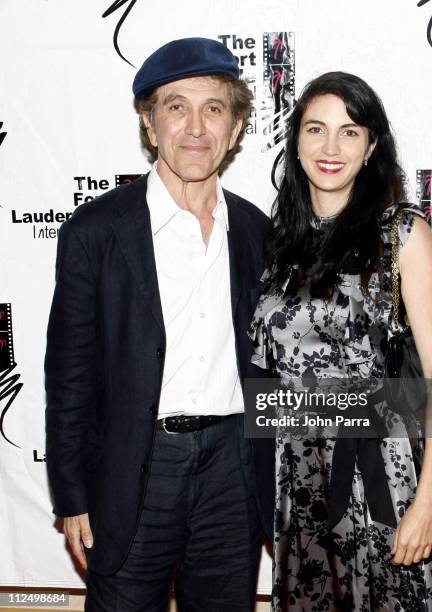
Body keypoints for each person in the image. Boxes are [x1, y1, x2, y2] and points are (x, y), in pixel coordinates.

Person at [45, 37, 274, 612]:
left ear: (236, 126)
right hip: (135, 462)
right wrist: (71, 495)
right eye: (176, 107)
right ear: (150, 125)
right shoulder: (95, 232)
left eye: (214, 108)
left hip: (233, 467)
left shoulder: (256, 231)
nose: (195, 127)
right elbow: (69, 375)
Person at [248, 72, 432, 610]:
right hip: (295, 474)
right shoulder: (278, 243)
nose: (331, 147)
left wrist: (429, 500)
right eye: (316, 129)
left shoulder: (403, 233)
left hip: (376, 474)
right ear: (295, 143)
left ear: (371, 148)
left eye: (350, 131)